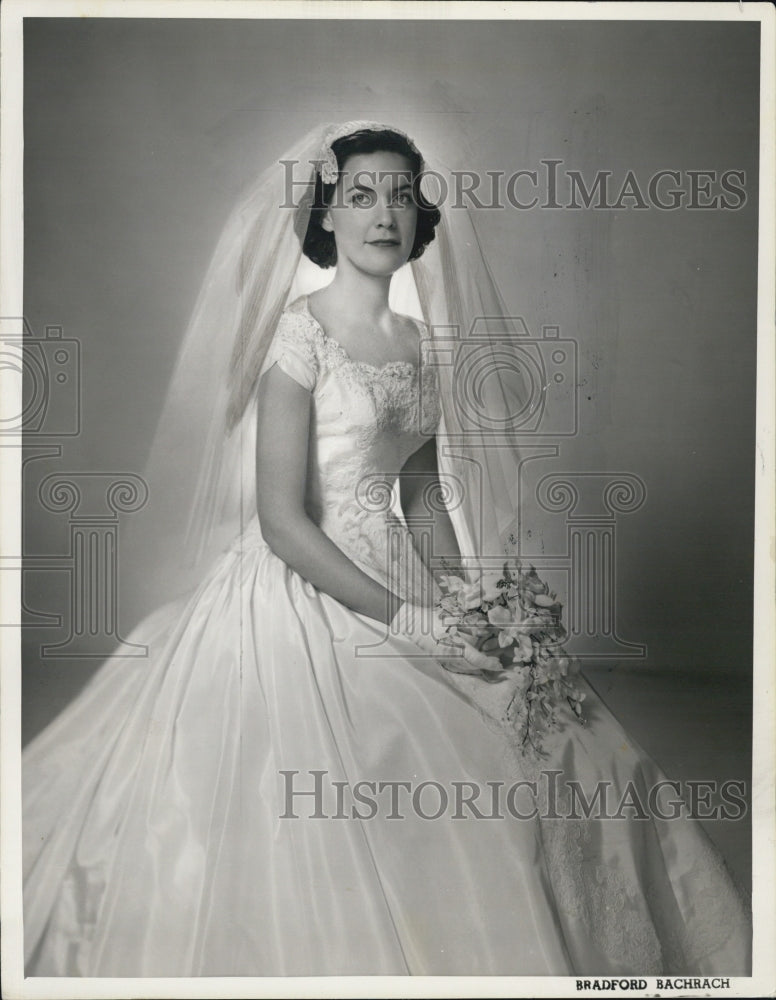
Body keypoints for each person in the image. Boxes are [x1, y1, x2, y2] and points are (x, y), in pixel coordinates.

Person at [22, 121, 751, 978]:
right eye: (360, 196)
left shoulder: (418, 345)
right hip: (304, 589)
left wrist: (469, 601)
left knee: (564, 736)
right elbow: (283, 520)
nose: (384, 214)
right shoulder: (297, 335)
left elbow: (421, 494)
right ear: (325, 216)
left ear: (421, 220)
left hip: (404, 574)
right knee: (412, 759)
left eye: (402, 196)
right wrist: (409, 620)